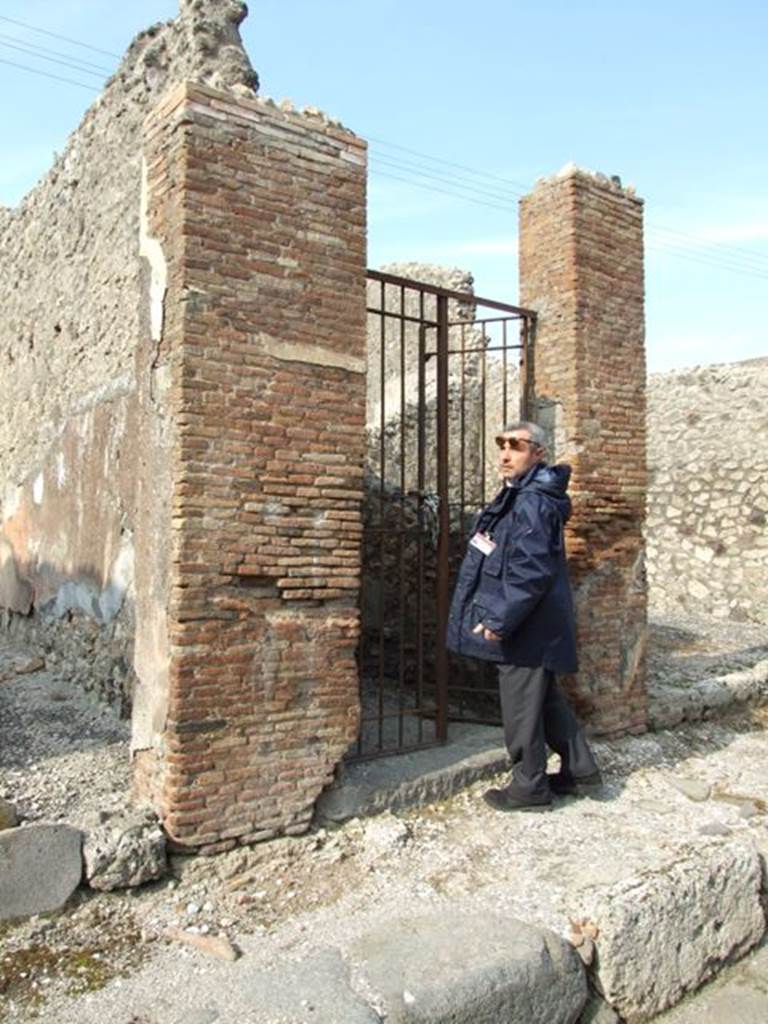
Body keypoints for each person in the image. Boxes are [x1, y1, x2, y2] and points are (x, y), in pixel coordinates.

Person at [446, 421, 601, 812]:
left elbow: (531, 569)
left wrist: (499, 618)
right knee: (544, 700)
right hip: (534, 622)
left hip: (527, 625)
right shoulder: (522, 494)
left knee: (520, 707)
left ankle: (529, 789)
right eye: (501, 444)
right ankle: (581, 771)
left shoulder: (532, 501)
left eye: (516, 446)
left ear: (538, 453)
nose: (505, 453)